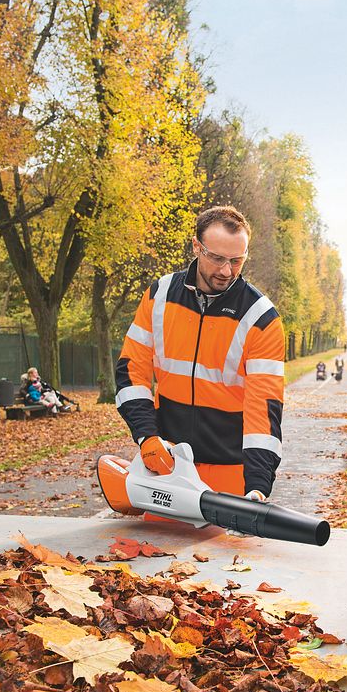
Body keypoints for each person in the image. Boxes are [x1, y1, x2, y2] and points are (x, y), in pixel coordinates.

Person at [115, 205, 285, 502]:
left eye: (236, 260)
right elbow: (132, 372)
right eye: (217, 258)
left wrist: (258, 485)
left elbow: (264, 408)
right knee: (159, 547)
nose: (226, 271)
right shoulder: (160, 295)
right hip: (166, 469)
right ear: (196, 246)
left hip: (230, 477)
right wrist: (146, 437)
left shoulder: (260, 317)